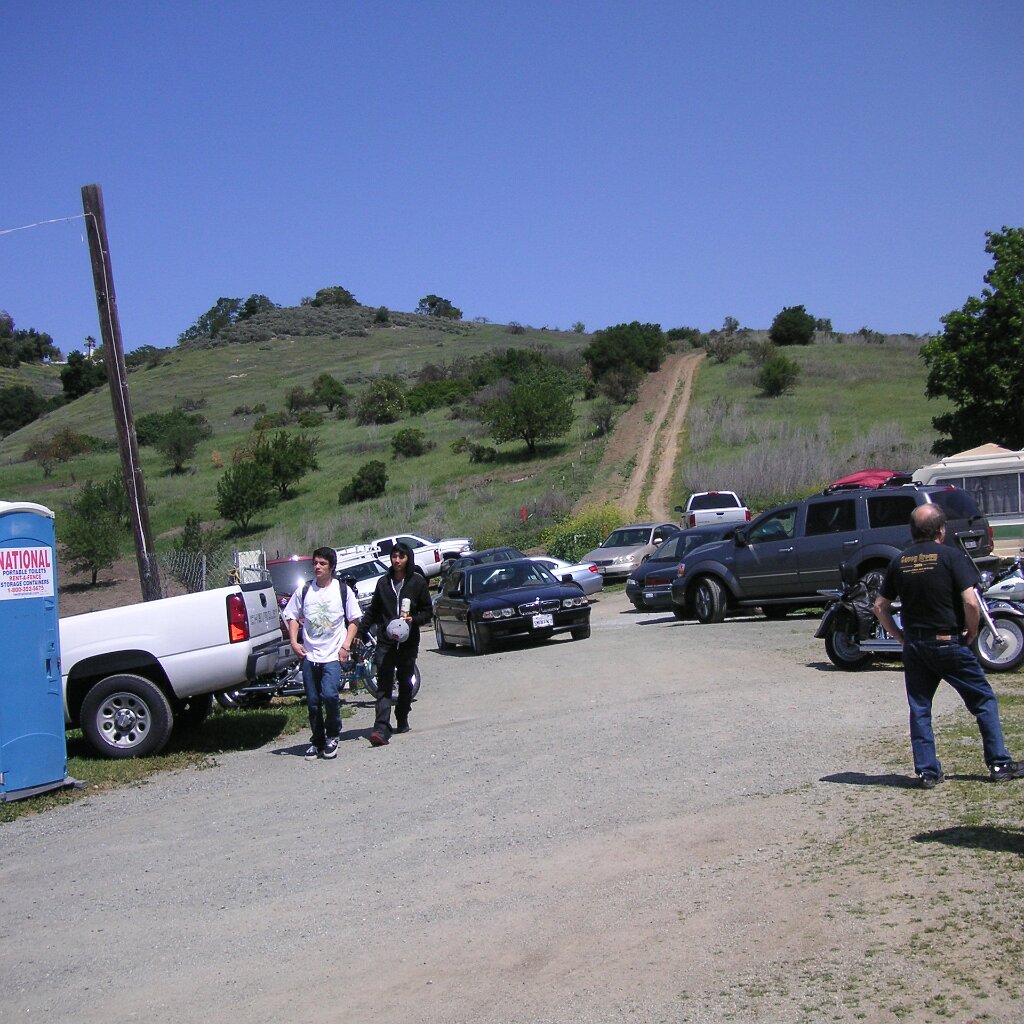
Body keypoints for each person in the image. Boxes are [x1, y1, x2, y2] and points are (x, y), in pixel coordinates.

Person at [873, 504, 1024, 789]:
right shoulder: (951, 557)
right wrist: (972, 631)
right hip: (947, 641)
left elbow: (879, 607)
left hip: (916, 645)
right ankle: (999, 763)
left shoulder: (899, 561)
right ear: (941, 531)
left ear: (912, 531)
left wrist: (900, 638)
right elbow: (970, 601)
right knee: (983, 701)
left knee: (920, 707)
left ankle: (927, 772)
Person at [281, 546, 361, 760]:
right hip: (310, 655)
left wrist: (345, 645)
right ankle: (317, 741)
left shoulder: (342, 590)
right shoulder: (305, 590)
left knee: (330, 695)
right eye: (315, 563)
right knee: (313, 702)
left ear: (331, 567)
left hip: (332, 655)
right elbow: (291, 615)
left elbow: (354, 620)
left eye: (322, 563)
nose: (317, 567)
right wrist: (294, 642)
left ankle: (333, 736)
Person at [361, 541, 433, 746]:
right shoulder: (383, 583)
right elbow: (373, 611)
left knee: (405, 681)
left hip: (408, 642)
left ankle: (402, 716)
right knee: (384, 684)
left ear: (408, 558)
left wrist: (414, 620)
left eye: (401, 556)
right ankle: (381, 728)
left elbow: (428, 611)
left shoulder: (417, 582)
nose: (397, 560)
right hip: (386, 641)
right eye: (394, 556)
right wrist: (360, 632)